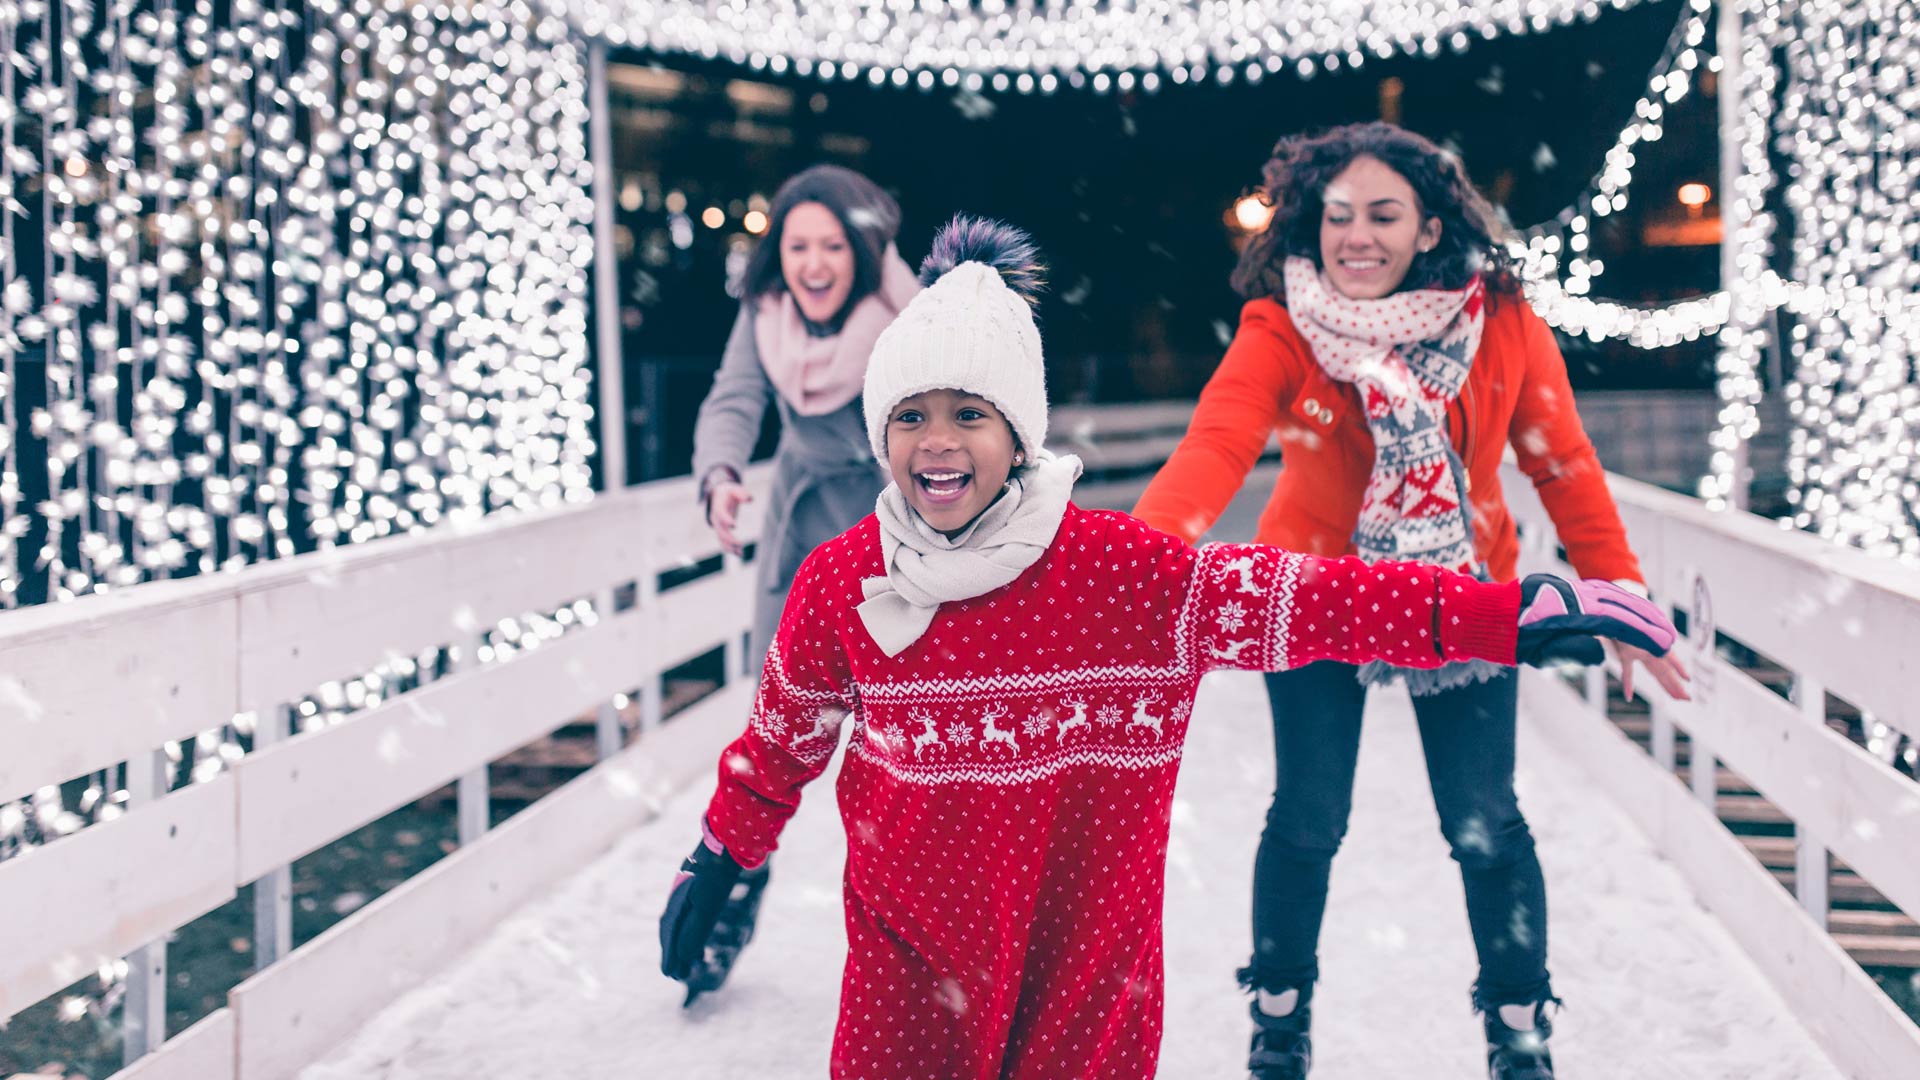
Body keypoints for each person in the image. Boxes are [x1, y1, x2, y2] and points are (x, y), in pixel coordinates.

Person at [659, 215, 1685, 1079]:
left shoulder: (1124, 576)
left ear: (1018, 434)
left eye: (970, 414)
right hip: (907, 973)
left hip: (1086, 975)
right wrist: (722, 849)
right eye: (912, 416)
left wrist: (1499, 618)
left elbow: (1317, 599)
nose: (938, 440)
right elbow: (783, 735)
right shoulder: (844, 582)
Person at [1131, 121, 1690, 1080]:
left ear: (1429, 229)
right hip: (1315, 598)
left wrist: (1621, 594)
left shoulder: (1503, 320)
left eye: (1384, 215)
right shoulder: (1281, 324)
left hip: (1462, 598)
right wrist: (1138, 562)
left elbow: (1562, 463)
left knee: (1485, 823)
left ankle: (1518, 1029)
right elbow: (1216, 446)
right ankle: (1279, 1016)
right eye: (1338, 215)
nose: (1357, 235)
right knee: (1308, 818)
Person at [681, 163, 920, 1001]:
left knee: (903, 761)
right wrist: (718, 475)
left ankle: (912, 942)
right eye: (796, 246)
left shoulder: (907, 318)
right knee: (774, 746)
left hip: (900, 554)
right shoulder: (766, 314)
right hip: (799, 553)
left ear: (861, 251)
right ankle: (728, 903)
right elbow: (733, 399)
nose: (813, 264)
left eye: (832, 244)